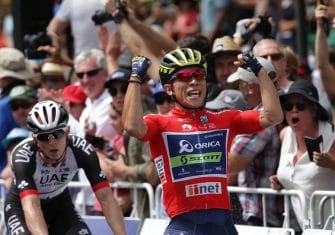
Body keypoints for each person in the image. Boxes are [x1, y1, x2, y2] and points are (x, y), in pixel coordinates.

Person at [122, 48, 283, 234]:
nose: (193, 82)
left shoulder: (224, 119)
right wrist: (135, 78)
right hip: (184, 225)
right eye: (184, 77)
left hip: (223, 225)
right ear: (168, 89)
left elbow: (274, 116)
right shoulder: (160, 123)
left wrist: (259, 71)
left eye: (199, 75)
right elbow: (132, 126)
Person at [4, 100, 126, 235]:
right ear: (35, 138)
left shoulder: (82, 150)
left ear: (67, 131)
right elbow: (31, 205)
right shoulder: (23, 156)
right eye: (44, 136)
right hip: (22, 207)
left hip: (60, 206)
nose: (52, 142)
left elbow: (106, 199)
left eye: (57, 134)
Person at [270, 79, 335, 230]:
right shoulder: (284, 134)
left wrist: (331, 163)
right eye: (288, 106)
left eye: (300, 106)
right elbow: (301, 178)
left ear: (314, 111)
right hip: (308, 229)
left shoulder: (332, 136)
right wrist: (282, 180)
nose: (293, 110)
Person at [227, 59, 284, 227]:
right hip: (262, 214)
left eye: (240, 83)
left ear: (250, 87)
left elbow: (232, 164)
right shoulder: (272, 111)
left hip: (260, 216)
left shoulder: (262, 119)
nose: (239, 87)